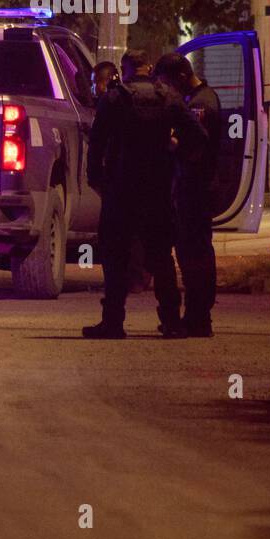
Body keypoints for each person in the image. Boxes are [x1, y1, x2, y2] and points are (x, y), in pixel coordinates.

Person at [83, 49, 204, 339]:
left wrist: (97, 180)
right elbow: (198, 135)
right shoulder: (168, 96)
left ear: (125, 69)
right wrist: (176, 153)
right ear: (147, 67)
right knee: (161, 257)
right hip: (158, 189)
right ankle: (172, 322)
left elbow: (96, 143)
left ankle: (113, 322)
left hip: (121, 189)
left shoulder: (114, 98)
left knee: (116, 259)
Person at [154, 51, 222, 338]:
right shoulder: (202, 98)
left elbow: (194, 148)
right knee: (195, 253)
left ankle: (198, 317)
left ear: (181, 77)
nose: (168, 89)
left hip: (194, 189)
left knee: (195, 255)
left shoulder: (199, 105)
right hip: (193, 188)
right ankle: (196, 316)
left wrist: (169, 144)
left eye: (169, 82)